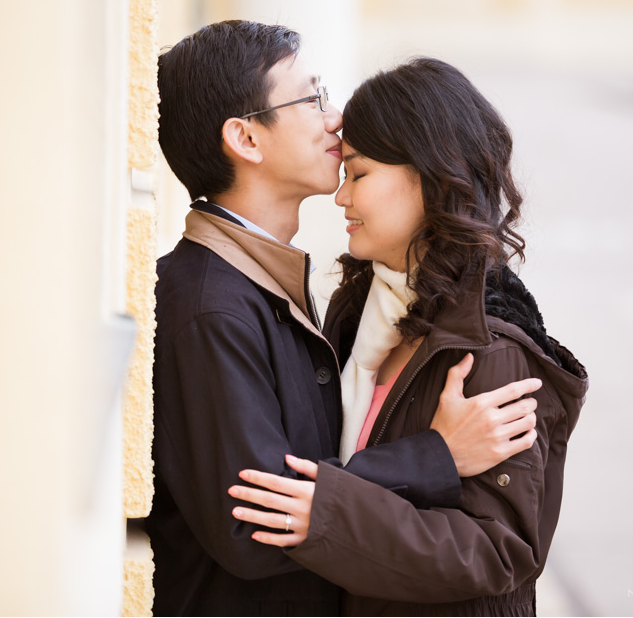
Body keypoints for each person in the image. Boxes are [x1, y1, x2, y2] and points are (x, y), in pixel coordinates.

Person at [148, 22, 542, 616]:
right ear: (246, 138)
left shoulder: (283, 288)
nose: (334, 118)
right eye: (310, 98)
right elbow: (256, 520)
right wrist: (437, 456)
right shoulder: (210, 306)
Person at [229, 57, 590, 616]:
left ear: (429, 174)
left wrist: (329, 514)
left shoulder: (489, 347)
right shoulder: (362, 310)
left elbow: (498, 550)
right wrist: (432, 457)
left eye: (360, 173)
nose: (341, 197)